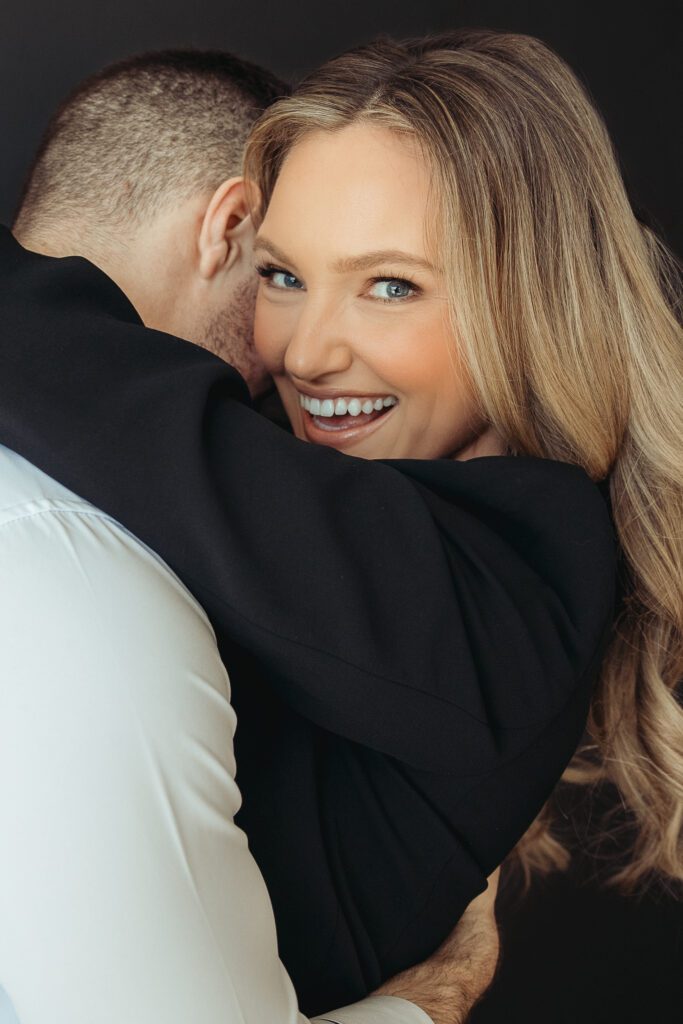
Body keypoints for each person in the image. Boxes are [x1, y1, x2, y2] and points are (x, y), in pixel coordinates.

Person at [0, 37, 622, 1019]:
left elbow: (117, 404)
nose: (301, 352)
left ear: (519, 301)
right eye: (282, 277)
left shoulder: (531, 567)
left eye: (389, 285)